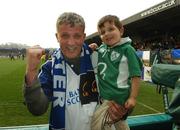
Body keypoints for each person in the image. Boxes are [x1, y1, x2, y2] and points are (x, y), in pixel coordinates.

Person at [23, 12, 99, 130]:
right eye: (65, 36)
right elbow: (37, 109)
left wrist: (122, 109)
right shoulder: (50, 68)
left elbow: (123, 97)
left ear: (84, 37)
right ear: (57, 37)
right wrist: (32, 71)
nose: (71, 43)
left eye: (77, 36)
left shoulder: (99, 59)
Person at [90, 15, 143, 130]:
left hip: (116, 97)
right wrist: (95, 47)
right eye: (102, 32)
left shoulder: (127, 49)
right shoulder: (104, 48)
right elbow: (102, 51)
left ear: (121, 30)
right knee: (119, 124)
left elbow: (136, 75)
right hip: (105, 97)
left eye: (111, 29)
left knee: (95, 125)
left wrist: (133, 98)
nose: (107, 34)